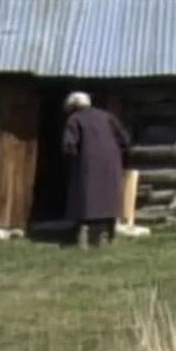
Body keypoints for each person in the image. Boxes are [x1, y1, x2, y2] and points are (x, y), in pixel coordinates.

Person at [62, 92, 130, 249]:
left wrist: (74, 161)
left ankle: (85, 237)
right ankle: (107, 236)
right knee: (108, 197)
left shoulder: (74, 119)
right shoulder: (107, 116)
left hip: (87, 165)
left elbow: (69, 146)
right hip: (111, 164)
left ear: (73, 106)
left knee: (88, 198)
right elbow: (124, 139)